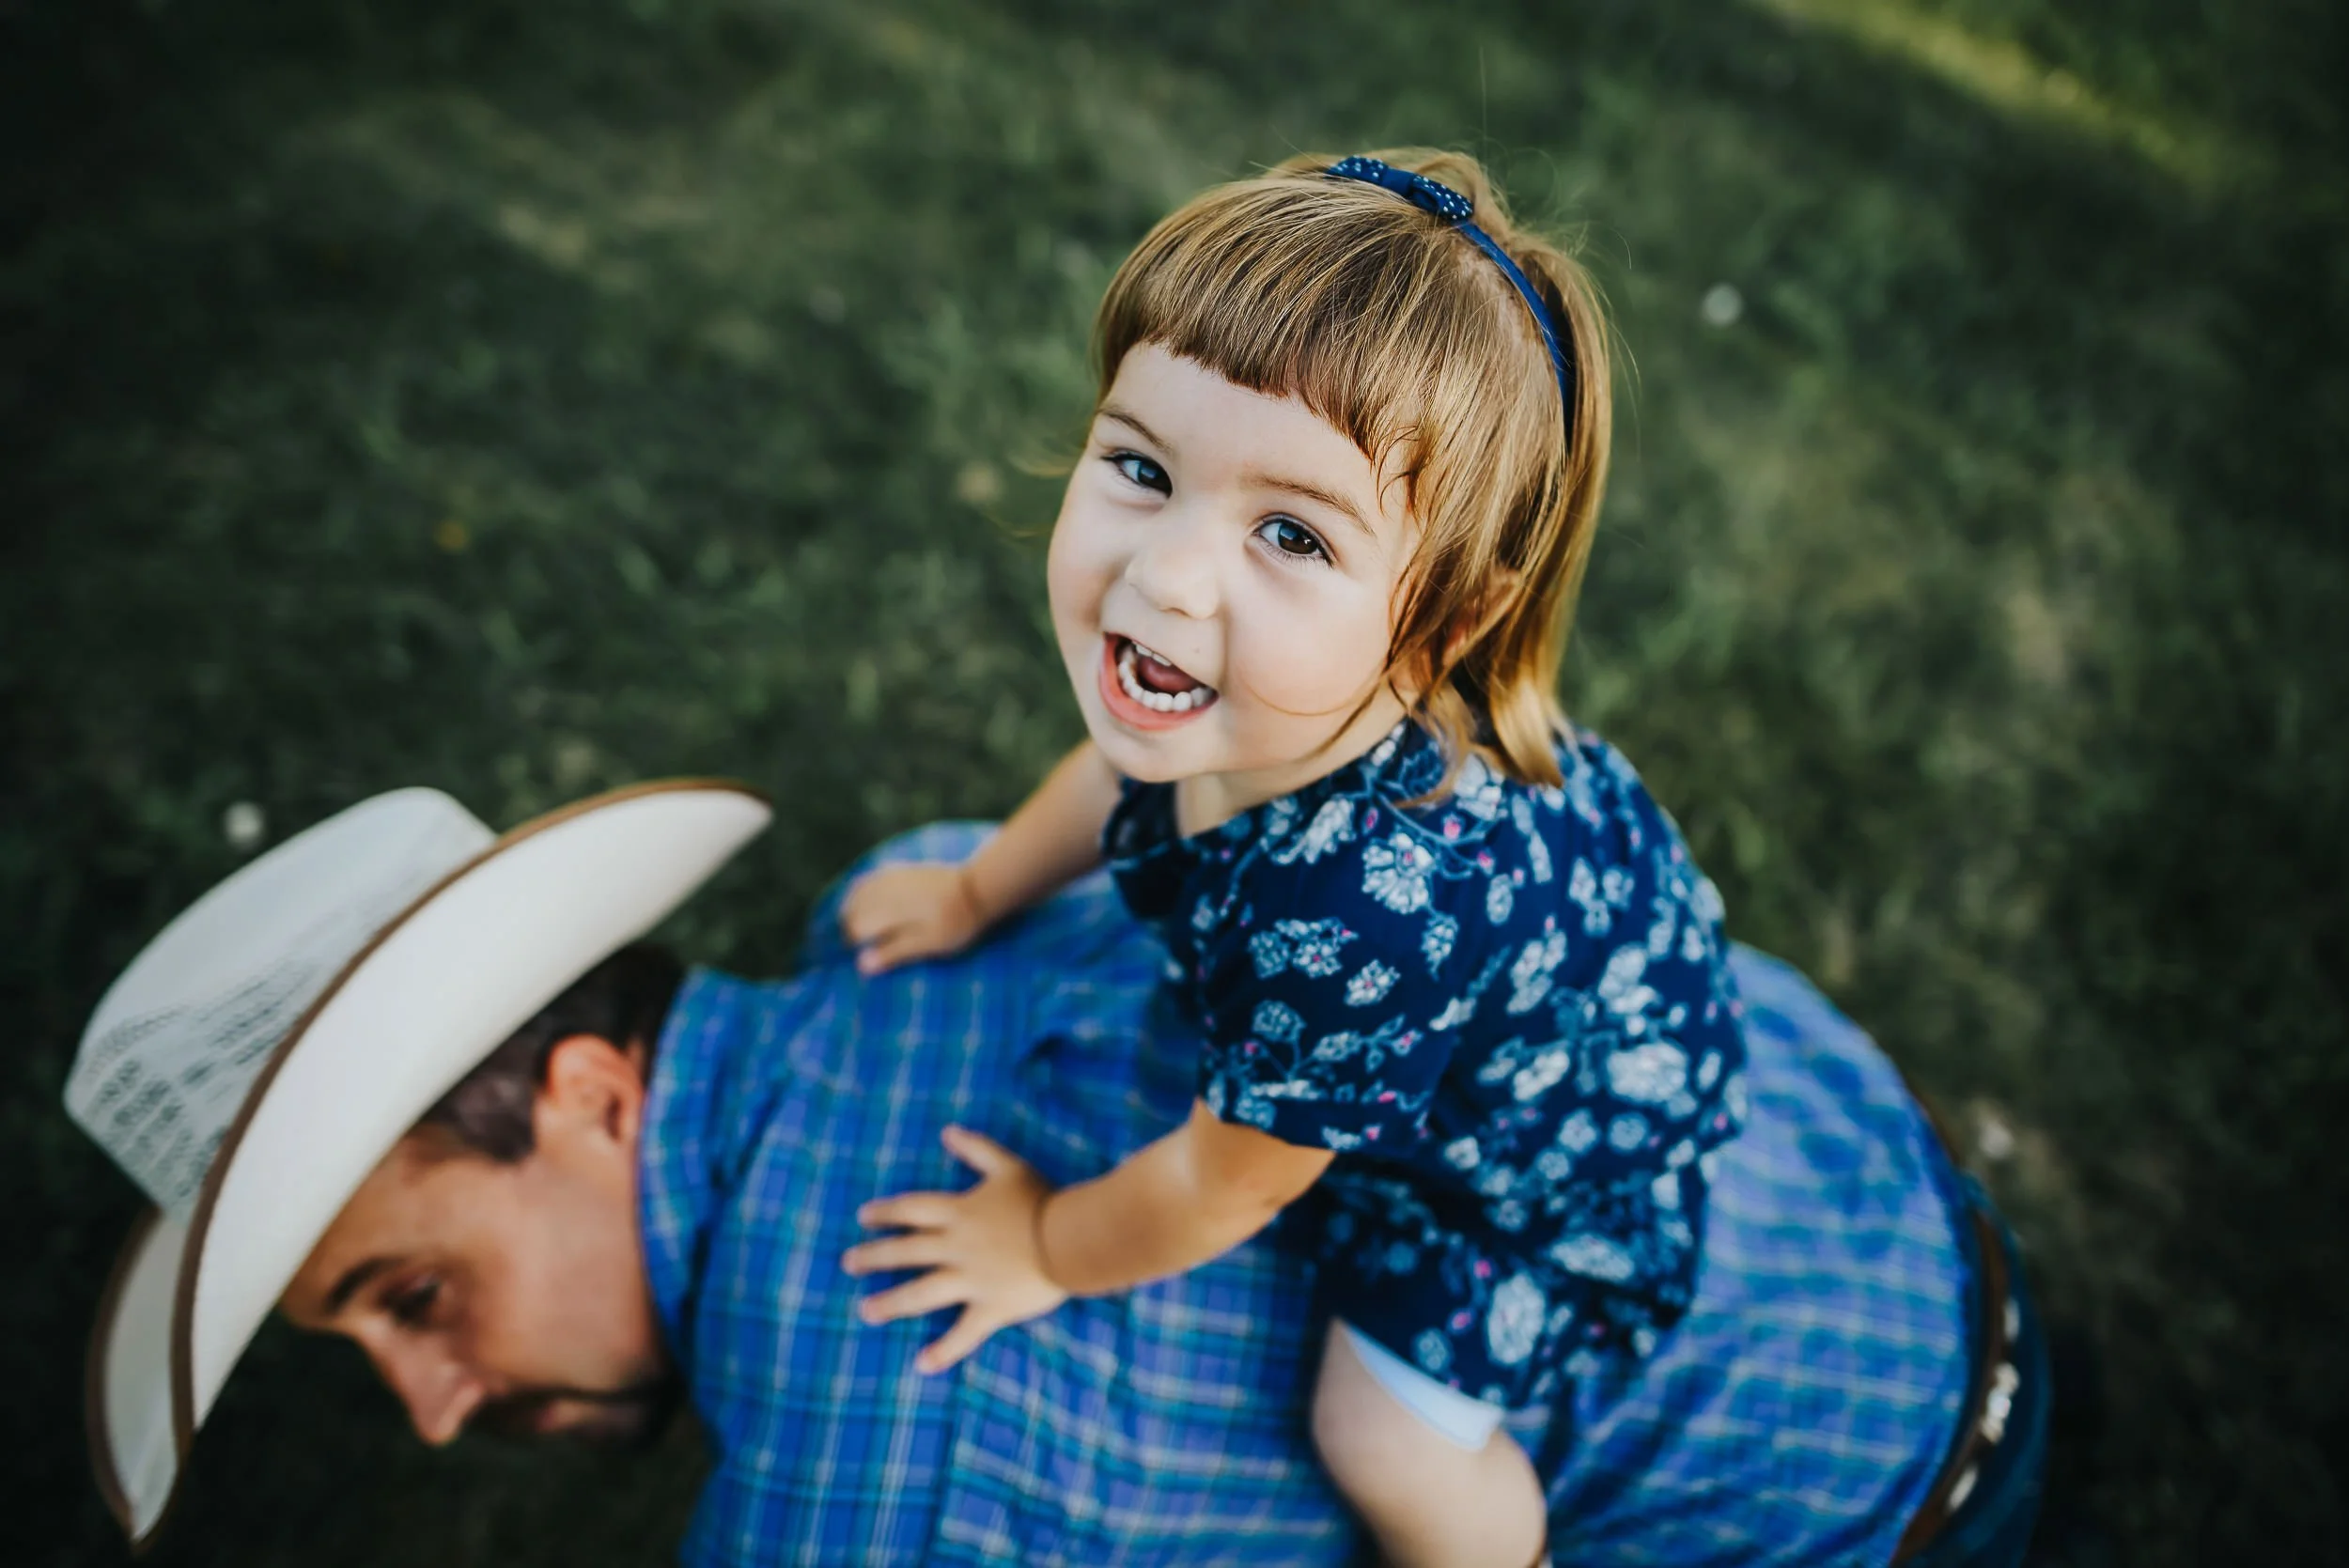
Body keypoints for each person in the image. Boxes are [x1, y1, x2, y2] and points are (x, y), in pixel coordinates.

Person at [837, 151, 2049, 1567]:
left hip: (1542, 1179)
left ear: (1440, 621)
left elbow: (1224, 1185)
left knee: (1387, 1437)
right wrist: (983, 886)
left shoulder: (1352, 921)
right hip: (1573, 970)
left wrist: (1044, 1247)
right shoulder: (1249, 694)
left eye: (1290, 532)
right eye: (1140, 468)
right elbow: (1116, 763)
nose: (1166, 574)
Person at [68, 785, 2045, 1565]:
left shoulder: (867, 1499)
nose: (428, 1414)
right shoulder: (893, 906)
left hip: (1877, 1490)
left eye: (408, 1300)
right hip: (1848, 1154)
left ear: (589, 1094)